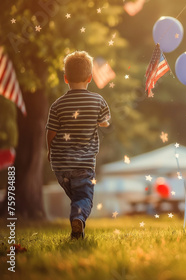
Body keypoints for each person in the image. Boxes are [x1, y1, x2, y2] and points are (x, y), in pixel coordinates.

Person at [46, 51, 110, 239]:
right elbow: (105, 121)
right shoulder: (98, 101)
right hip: (83, 164)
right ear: (90, 77)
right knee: (84, 198)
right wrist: (100, 122)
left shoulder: (57, 105)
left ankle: (77, 230)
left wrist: (50, 151)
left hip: (61, 166)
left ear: (66, 78)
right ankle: (78, 217)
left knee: (76, 196)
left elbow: (50, 132)